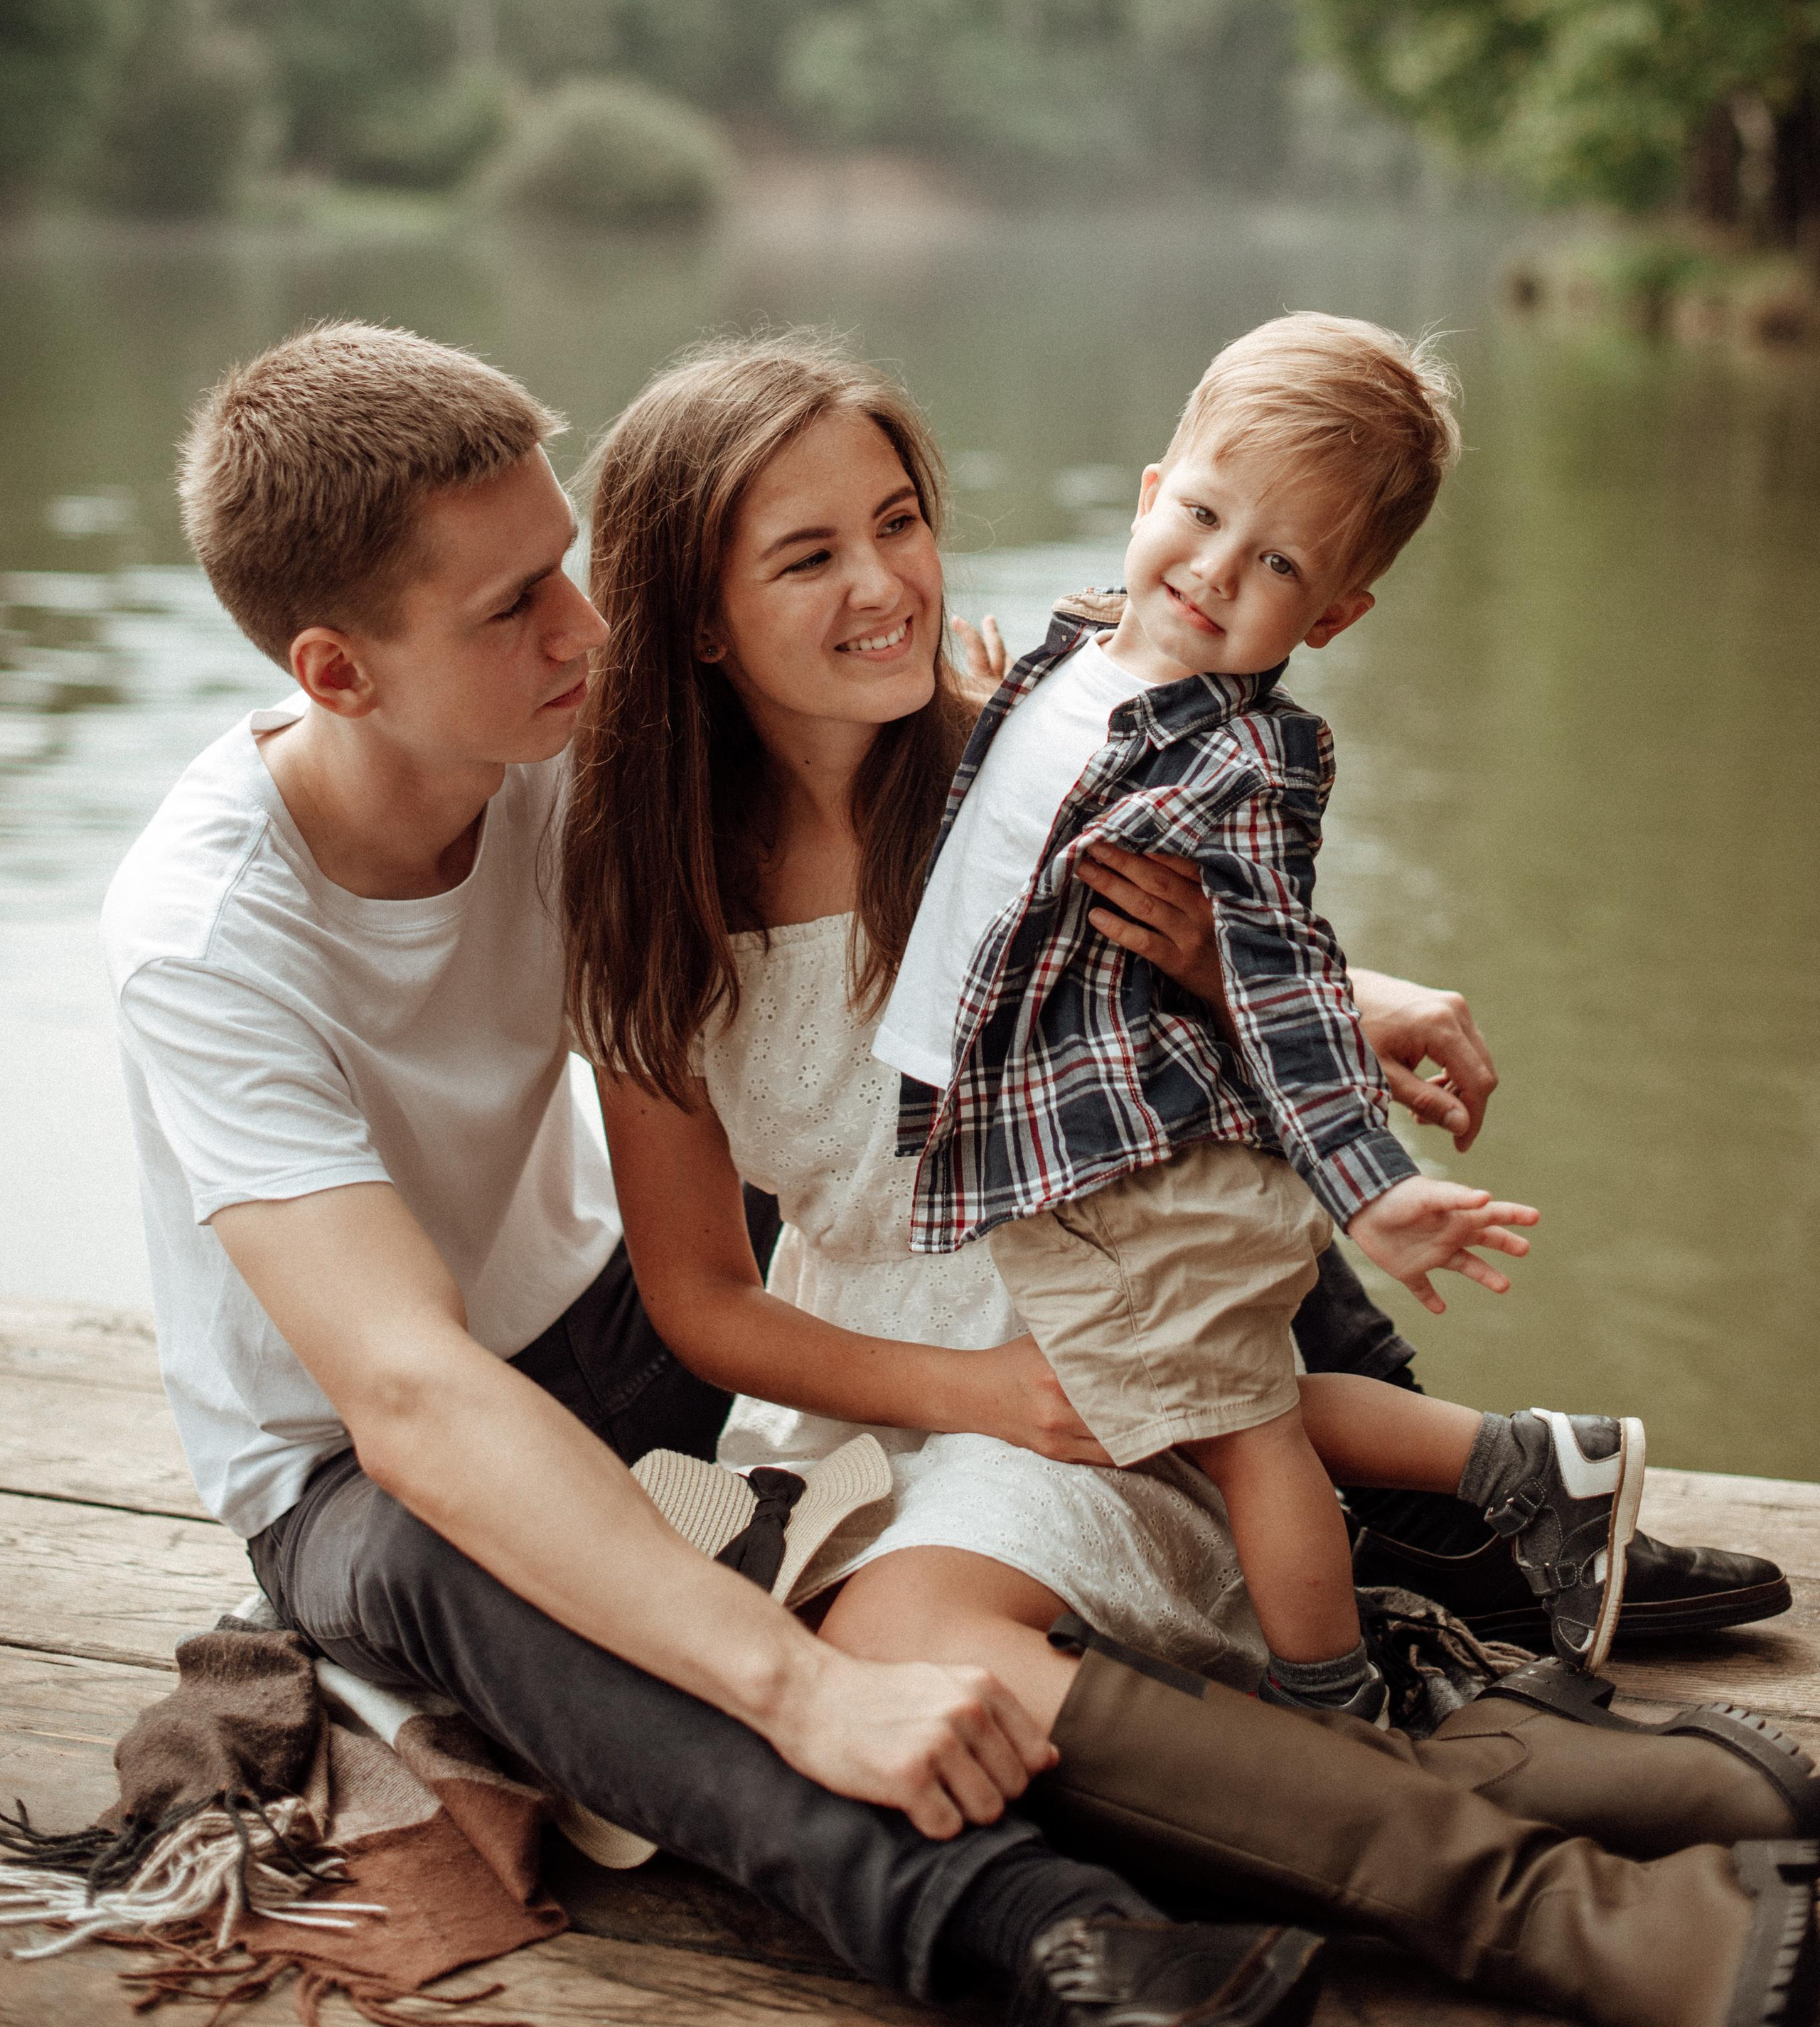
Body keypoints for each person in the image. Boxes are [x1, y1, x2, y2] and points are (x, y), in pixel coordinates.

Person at [569, 328, 1820, 2027]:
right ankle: (1508, 1767)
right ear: (699, 619)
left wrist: (1314, 999)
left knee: (905, 1651)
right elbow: (699, 1301)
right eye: (807, 555)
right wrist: (971, 1397)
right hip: (884, 1388)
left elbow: (1223, 940)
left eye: (897, 519)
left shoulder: (1047, 754)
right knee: (840, 1684)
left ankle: (1564, 1910)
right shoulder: (647, 903)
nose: (884, 583)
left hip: (1104, 1342)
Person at [103, 321, 1332, 2027]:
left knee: (1108, 1111)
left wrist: (1308, 995)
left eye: (571, 569)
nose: (586, 631)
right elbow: (405, 1390)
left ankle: (1444, 1482)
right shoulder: (205, 938)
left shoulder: (574, 751)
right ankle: (1023, 1921)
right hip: (358, 1455)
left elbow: (973, 822)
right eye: (515, 606)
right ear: (336, 673)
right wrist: (798, 1687)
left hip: (617, 1319)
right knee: (441, 1553)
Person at [873, 314, 1639, 1715]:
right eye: (1207, 515)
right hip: (1065, 1151)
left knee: (1237, 1437)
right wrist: (978, 721)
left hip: (1145, 1161)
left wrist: (1374, 1193)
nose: (1217, 572)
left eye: (1277, 562)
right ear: (1150, 492)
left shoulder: (1245, 765)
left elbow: (1280, 993)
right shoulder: (1071, 655)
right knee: (1198, 1397)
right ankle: (1520, 1468)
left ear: (1331, 615)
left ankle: (1331, 1703)